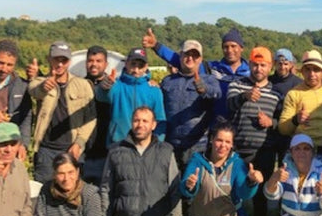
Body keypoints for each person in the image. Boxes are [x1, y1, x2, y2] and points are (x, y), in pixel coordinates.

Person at [101, 107, 183, 216]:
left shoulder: (166, 151)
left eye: (145, 121)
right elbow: (106, 190)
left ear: (153, 125)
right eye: (136, 120)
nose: (140, 124)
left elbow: (175, 191)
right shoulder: (115, 151)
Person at [180, 122, 262, 216]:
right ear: (211, 140)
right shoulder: (197, 161)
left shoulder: (237, 164)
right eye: (219, 140)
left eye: (227, 142)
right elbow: (186, 187)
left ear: (232, 145)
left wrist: (251, 182)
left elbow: (243, 193)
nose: (223, 145)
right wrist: (189, 185)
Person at [226, 46, 282, 216]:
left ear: (270, 66)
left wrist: (271, 122)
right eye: (255, 65)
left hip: (264, 152)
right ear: (249, 64)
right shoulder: (237, 85)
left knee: (261, 197)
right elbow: (229, 105)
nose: (259, 69)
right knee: (233, 194)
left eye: (263, 65)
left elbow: (281, 123)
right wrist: (244, 97)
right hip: (238, 150)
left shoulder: (276, 94)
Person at [143, 26, 250, 119]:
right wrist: (157, 46)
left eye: (233, 46)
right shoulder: (211, 68)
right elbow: (182, 60)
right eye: (226, 47)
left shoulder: (252, 72)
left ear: (241, 48)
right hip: (216, 126)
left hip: (242, 125)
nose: (229, 50)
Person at [29, 41, 97, 183]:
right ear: (49, 59)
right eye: (56, 60)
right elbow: (35, 91)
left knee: (73, 195)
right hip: (46, 150)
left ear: (69, 62)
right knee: (44, 193)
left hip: (71, 150)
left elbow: (90, 119)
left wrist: (79, 143)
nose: (60, 64)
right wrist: (44, 87)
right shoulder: (39, 81)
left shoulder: (83, 85)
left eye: (64, 60)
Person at [279, 49, 322, 176]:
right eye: (308, 69)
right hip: (300, 154)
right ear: (302, 72)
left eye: (316, 69)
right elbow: (283, 128)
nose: (312, 74)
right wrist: (295, 120)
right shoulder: (293, 94)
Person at [160, 39, 221, 171]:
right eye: (186, 54)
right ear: (180, 55)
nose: (190, 58)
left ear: (200, 59)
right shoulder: (168, 81)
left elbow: (216, 94)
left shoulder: (209, 80)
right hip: (169, 144)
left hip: (197, 146)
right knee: (170, 185)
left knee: (193, 186)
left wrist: (204, 89)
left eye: (195, 55)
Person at [95, 47, 166, 146]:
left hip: (145, 147)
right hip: (118, 144)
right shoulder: (116, 86)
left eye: (140, 66)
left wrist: (157, 145)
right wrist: (104, 87)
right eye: (133, 64)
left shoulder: (154, 91)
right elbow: (100, 96)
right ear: (126, 63)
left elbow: (160, 120)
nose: (136, 70)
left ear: (146, 67)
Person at [82, 45, 113, 185]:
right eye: (91, 60)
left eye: (99, 61)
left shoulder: (115, 87)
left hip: (106, 152)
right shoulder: (78, 85)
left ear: (106, 64)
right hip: (82, 151)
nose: (94, 64)